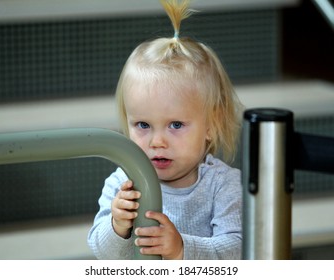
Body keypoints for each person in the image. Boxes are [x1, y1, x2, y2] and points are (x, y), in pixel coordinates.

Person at [87, 0, 243, 260]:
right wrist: (117, 227)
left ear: (211, 126)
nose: (157, 141)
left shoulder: (223, 186)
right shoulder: (122, 185)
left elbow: (238, 251)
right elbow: (103, 253)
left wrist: (182, 249)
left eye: (176, 125)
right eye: (143, 125)